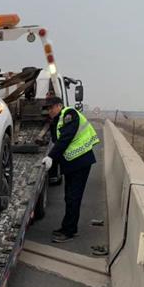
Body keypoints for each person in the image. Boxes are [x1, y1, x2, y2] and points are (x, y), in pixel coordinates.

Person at [41, 96, 100, 243]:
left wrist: (51, 157)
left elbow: (65, 138)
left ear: (59, 106)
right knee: (69, 197)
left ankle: (69, 231)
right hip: (72, 163)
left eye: (51, 107)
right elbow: (56, 140)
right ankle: (66, 227)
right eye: (47, 109)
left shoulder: (70, 114)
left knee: (73, 197)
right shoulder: (57, 120)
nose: (49, 111)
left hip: (80, 162)